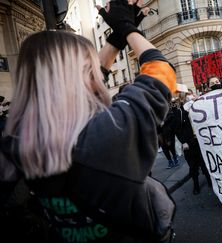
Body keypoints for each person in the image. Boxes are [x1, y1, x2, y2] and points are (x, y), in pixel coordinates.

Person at [0, 0, 177, 242]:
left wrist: (117, 38)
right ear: (80, 74)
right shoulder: (109, 130)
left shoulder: (15, 141)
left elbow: (86, 84)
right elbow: (161, 72)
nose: (97, 72)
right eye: (89, 67)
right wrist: (127, 27)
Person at [175, 102, 211, 195]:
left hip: (201, 142)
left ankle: (209, 180)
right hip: (189, 144)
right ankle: (196, 185)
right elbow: (177, 129)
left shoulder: (200, 112)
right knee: (193, 166)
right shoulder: (181, 113)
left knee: (205, 163)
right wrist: (183, 142)